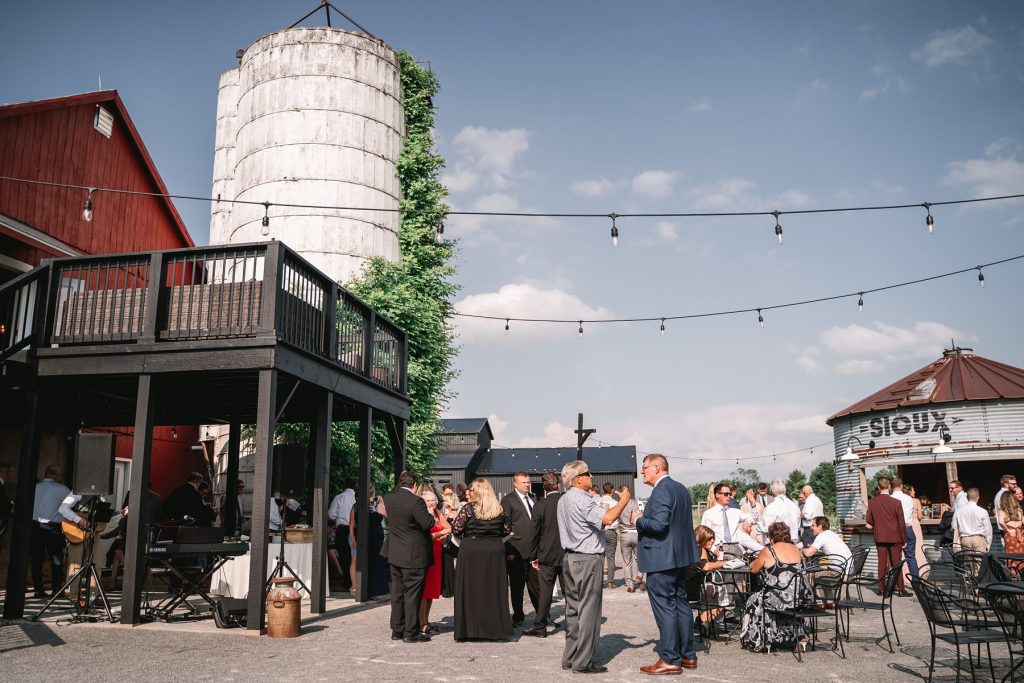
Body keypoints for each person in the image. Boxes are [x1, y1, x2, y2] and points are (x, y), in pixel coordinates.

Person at [558, 460, 631, 674]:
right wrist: (624, 500)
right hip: (587, 558)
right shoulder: (581, 499)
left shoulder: (563, 499)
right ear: (577, 478)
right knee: (589, 612)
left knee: (573, 611)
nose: (592, 476)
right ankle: (583, 662)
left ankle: (570, 657)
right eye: (588, 473)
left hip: (570, 558)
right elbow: (608, 518)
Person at [634, 454, 699, 675]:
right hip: (680, 557)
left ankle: (670, 658)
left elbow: (659, 524)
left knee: (665, 607)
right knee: (680, 604)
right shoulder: (680, 488)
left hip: (662, 559)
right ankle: (687, 655)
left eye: (644, 468)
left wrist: (637, 519)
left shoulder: (661, 490)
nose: (642, 471)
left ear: (657, 468)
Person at [452, 478, 514, 641]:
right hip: (494, 550)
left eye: (471, 490)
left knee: (470, 589)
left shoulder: (468, 508)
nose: (468, 493)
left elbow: (456, 529)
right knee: (493, 590)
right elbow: (507, 530)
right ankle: (494, 629)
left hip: (471, 550)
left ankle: (469, 629)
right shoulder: (499, 509)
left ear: (476, 492)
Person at [740, 522, 811, 653]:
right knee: (784, 599)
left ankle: (762, 639)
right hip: (799, 597)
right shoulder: (797, 549)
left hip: (779, 598)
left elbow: (754, 570)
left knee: (754, 599)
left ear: (771, 537)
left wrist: (753, 563)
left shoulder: (768, 550)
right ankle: (799, 636)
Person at [382, 471, 435, 643]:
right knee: (412, 593)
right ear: (414, 485)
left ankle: (397, 629)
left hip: (394, 552)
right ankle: (411, 632)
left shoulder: (389, 498)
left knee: (397, 593)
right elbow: (427, 523)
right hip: (414, 554)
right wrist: (429, 513)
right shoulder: (416, 501)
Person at [524, 471, 564, 637]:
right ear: (558, 484)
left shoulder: (540, 505)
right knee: (570, 592)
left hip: (546, 554)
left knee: (545, 593)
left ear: (544, 487)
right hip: (566, 552)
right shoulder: (565, 502)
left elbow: (534, 533)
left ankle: (540, 627)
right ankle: (575, 624)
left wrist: (533, 556)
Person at [500, 471, 540, 626]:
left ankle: (542, 615)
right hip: (516, 550)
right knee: (517, 586)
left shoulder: (533, 498)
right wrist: (508, 550)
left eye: (528, 482)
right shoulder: (508, 500)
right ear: (515, 483)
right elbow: (505, 527)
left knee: (536, 586)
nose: (527, 485)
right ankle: (518, 616)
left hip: (533, 550)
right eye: (524, 482)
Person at [31, 465, 71, 598]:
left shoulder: (34, 487)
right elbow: (74, 505)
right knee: (56, 559)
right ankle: (56, 590)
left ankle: (38, 590)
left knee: (37, 559)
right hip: (52, 528)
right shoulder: (62, 489)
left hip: (35, 527)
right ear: (57, 475)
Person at [865, 477, 907, 593]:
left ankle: (881, 589)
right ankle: (900, 588)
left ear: (878, 488)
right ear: (889, 487)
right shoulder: (896, 502)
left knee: (882, 563)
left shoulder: (872, 502)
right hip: (895, 536)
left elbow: (869, 519)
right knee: (896, 563)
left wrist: (877, 524)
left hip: (880, 536)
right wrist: (904, 540)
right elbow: (901, 522)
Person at [418, 489, 451, 635]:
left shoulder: (437, 513)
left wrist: (437, 534)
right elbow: (425, 537)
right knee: (424, 591)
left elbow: (449, 527)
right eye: (428, 500)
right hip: (426, 553)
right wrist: (440, 534)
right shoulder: (422, 515)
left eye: (433, 500)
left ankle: (426, 621)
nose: (431, 503)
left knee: (431, 591)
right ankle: (421, 623)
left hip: (437, 553)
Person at [700, 483, 763, 558]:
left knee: (762, 550)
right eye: (726, 494)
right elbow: (704, 536)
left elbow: (753, 519)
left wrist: (753, 504)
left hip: (736, 548)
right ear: (717, 495)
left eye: (730, 494)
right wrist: (713, 550)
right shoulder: (708, 514)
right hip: (718, 548)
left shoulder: (735, 512)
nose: (729, 496)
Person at [686, 525, 727, 628]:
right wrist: (723, 563)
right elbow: (706, 566)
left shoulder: (700, 549)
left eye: (713, 538)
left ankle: (702, 621)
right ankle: (702, 621)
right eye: (710, 538)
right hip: (696, 588)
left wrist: (716, 558)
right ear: (701, 537)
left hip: (696, 585)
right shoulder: (699, 550)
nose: (713, 541)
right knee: (724, 599)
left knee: (722, 598)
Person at [328, 479, 356, 591]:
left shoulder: (339, 497)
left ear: (344, 485)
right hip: (356, 529)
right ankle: (356, 581)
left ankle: (347, 582)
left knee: (345, 556)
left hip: (343, 529)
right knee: (354, 556)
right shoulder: (357, 497)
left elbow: (331, 515)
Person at [890, 478, 919, 583]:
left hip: (894, 530)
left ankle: (898, 584)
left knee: (895, 559)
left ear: (891, 486)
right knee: (911, 557)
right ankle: (916, 582)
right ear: (901, 486)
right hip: (907, 529)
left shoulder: (889, 498)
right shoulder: (909, 498)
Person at [759, 479, 801, 545]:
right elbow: (798, 526)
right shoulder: (794, 506)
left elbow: (765, 528)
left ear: (772, 490)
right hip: (793, 544)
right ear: (785, 489)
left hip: (776, 545)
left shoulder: (771, 507)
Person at [617, 485, 642, 593]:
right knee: (638, 558)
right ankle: (639, 575)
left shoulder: (618, 505)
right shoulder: (634, 502)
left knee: (627, 562)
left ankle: (630, 585)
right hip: (636, 533)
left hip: (624, 534)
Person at [953, 487, 992, 553]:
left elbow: (954, 526)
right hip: (979, 539)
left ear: (967, 498)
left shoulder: (958, 511)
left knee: (967, 562)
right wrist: (988, 544)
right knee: (980, 562)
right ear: (978, 497)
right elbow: (988, 530)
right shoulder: (983, 511)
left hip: (965, 539)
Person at [903, 485, 928, 584]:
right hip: (914, 525)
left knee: (905, 552)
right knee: (916, 550)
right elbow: (920, 516)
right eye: (913, 490)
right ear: (909, 491)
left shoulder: (901, 501)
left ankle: (905, 574)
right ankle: (919, 573)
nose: (915, 491)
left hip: (905, 525)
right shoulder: (916, 501)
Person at [597, 482, 620, 588]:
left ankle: (599, 581)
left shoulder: (597, 502)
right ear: (611, 491)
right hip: (611, 531)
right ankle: (610, 582)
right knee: (611, 557)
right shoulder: (615, 503)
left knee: (600, 557)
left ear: (603, 490)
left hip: (599, 531)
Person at [997, 493, 1024, 572]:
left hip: (1010, 535)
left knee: (1011, 556)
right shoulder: (1019, 510)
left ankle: (1014, 575)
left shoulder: (1002, 510)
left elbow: (1001, 522)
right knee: (1021, 555)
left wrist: (1007, 529)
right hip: (1020, 535)